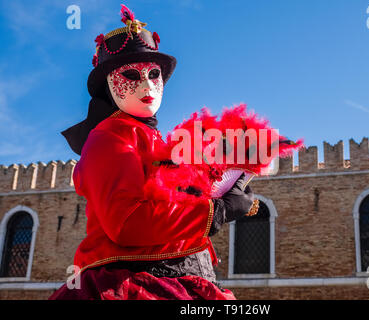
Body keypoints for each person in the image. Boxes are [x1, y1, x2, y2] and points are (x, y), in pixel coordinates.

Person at [50, 5, 258, 300]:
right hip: (135, 285)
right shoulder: (109, 137)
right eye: (132, 75)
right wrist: (216, 212)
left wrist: (220, 190)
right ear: (110, 84)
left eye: (154, 74)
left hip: (190, 281)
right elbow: (127, 222)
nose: (147, 84)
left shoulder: (156, 139)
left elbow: (169, 210)